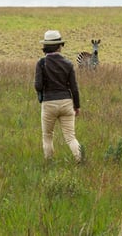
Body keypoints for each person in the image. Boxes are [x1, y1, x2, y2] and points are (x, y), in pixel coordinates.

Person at [34, 30, 82, 163]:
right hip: (67, 103)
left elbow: (37, 86)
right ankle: (80, 159)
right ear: (59, 46)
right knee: (70, 137)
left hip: (49, 103)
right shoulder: (68, 63)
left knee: (47, 136)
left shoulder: (41, 63)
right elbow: (74, 88)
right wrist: (77, 106)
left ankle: (49, 163)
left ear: (45, 46)